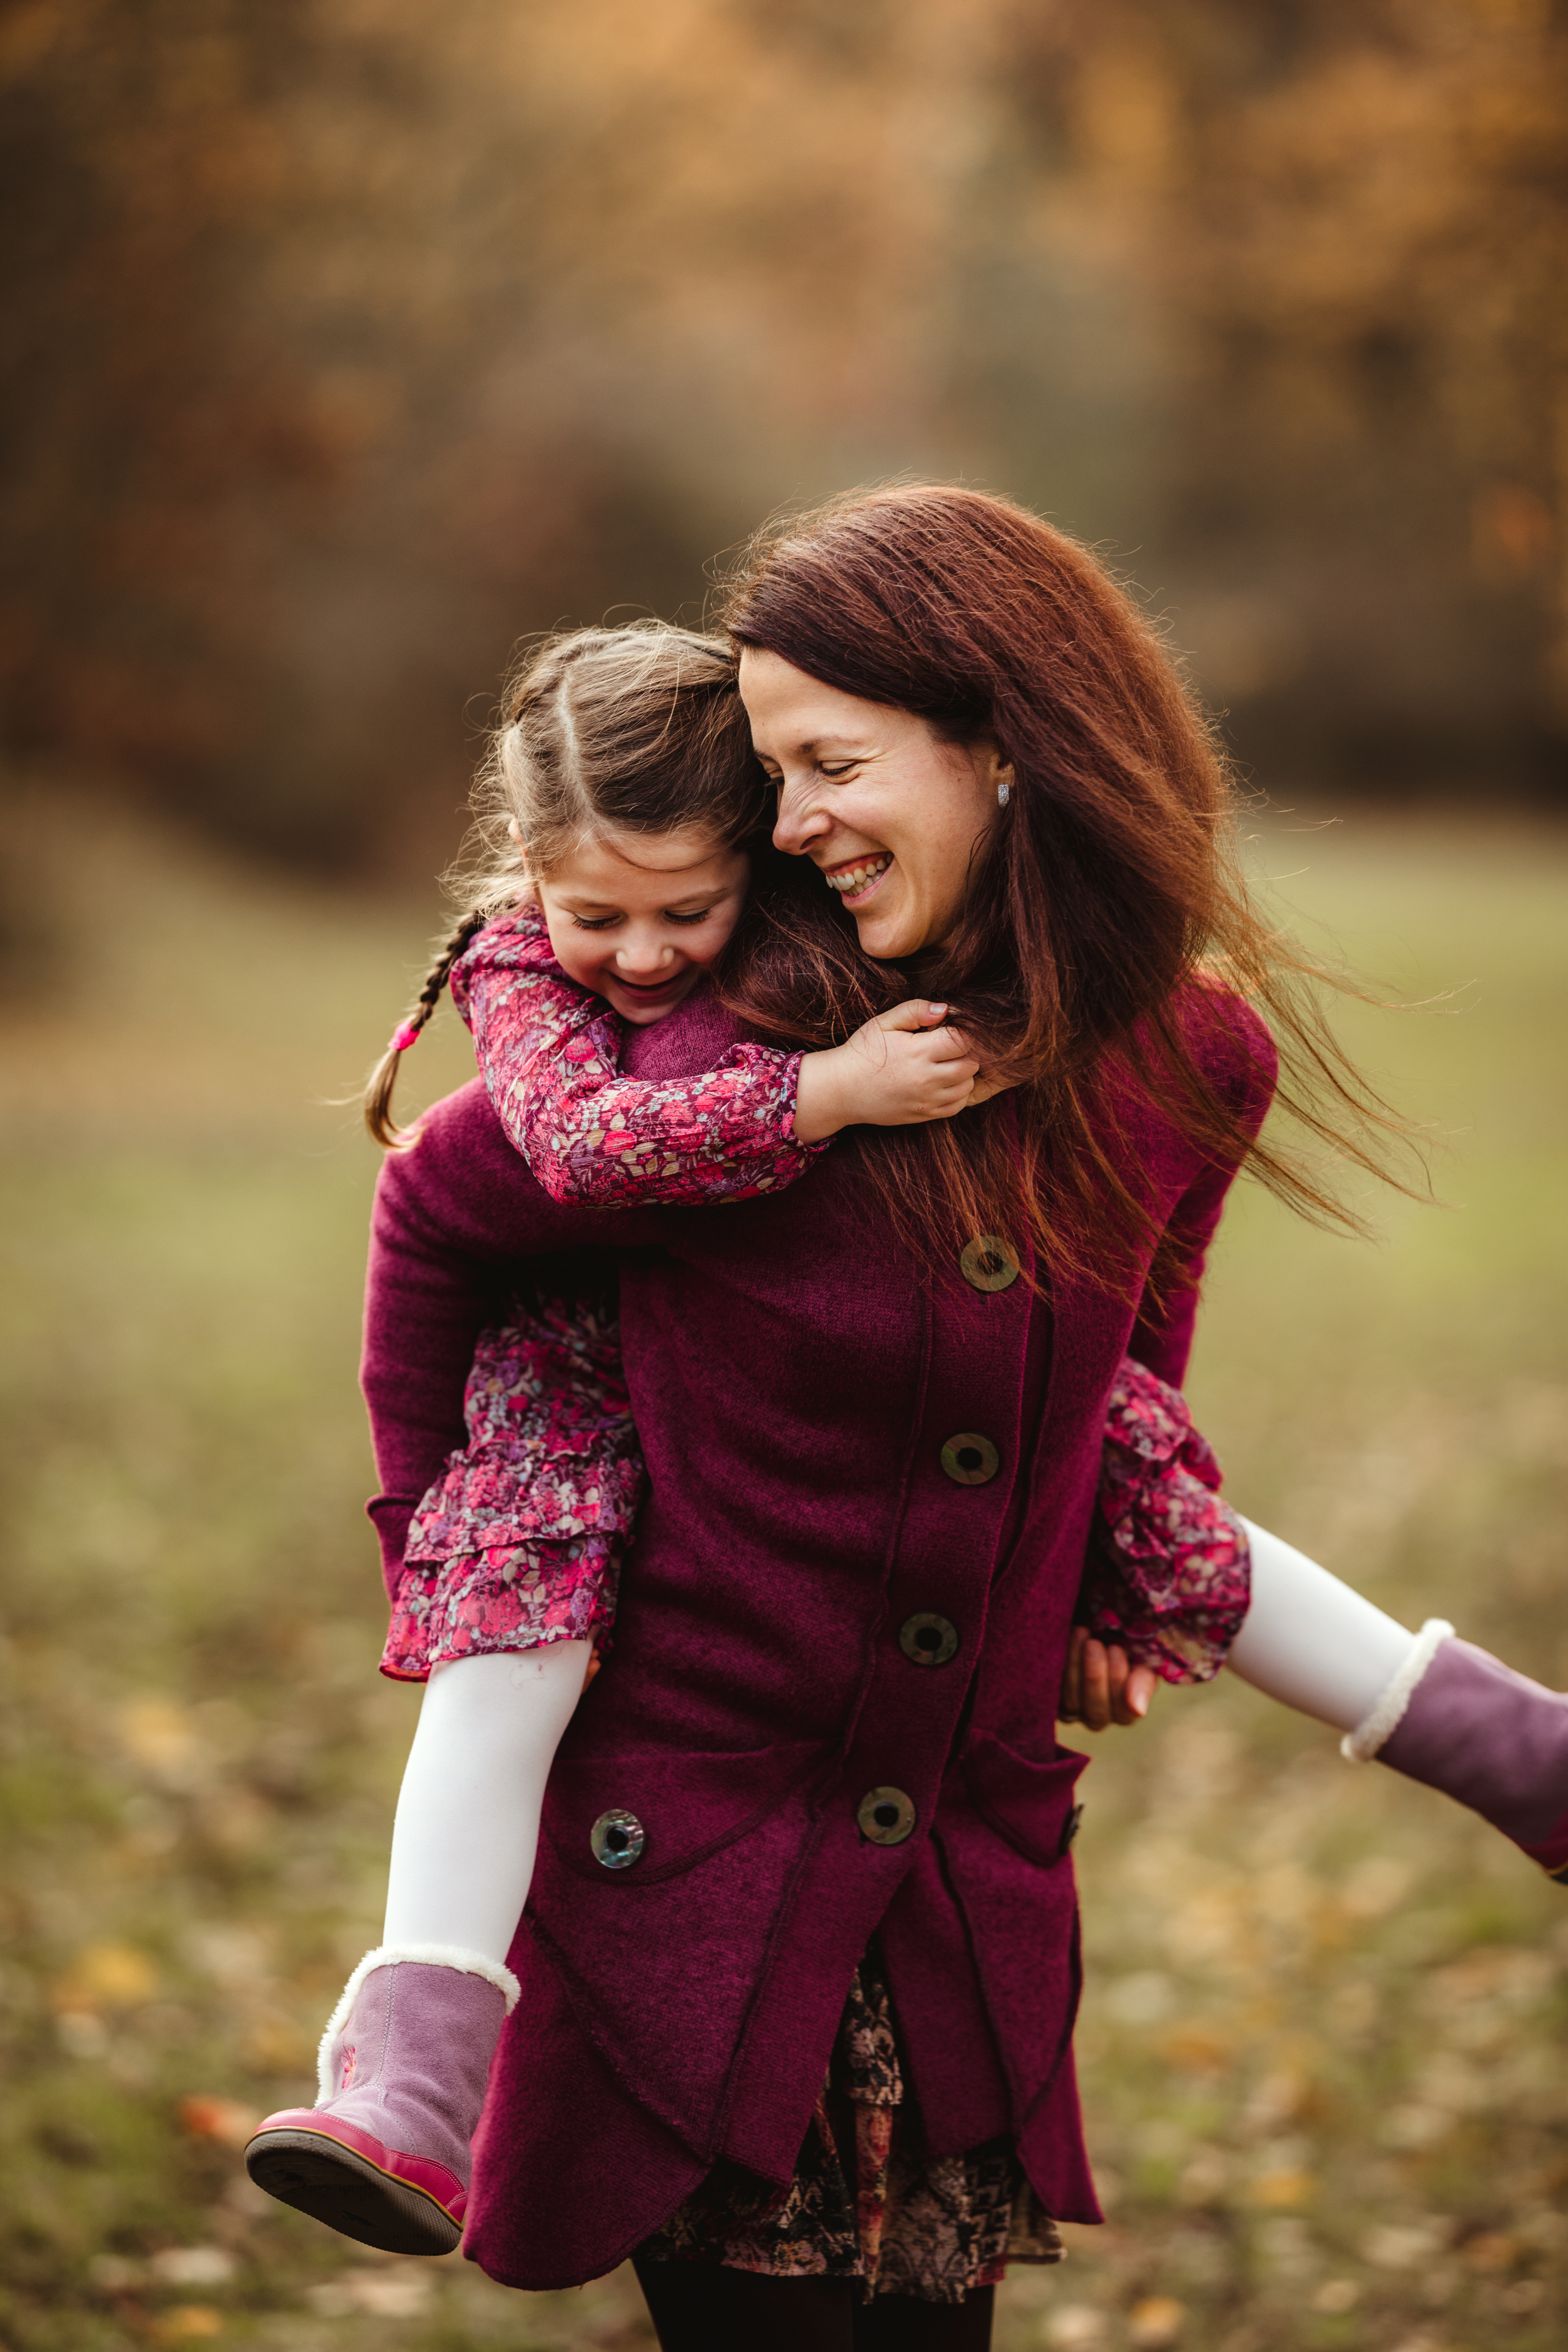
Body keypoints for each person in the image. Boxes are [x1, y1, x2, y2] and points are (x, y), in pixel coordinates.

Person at [259, 494, 1568, 2348]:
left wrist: (1113, 1568)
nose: (784, 823)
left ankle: (1517, 1749)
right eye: (772, 772)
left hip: (954, 1888)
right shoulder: (722, 1061)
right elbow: (447, 1208)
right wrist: (446, 1551)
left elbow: (1143, 1319)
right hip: (695, 1871)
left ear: (1010, 745)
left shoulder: (1189, 1056)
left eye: (827, 764)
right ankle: (409, 2053)